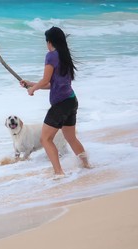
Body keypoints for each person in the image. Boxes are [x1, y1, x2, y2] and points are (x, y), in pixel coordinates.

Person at [20, 26, 90, 177]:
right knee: (71, 138)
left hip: (60, 105)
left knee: (45, 139)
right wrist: (32, 84)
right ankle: (87, 166)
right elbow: (54, 84)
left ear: (49, 42)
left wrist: (33, 89)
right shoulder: (65, 56)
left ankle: (59, 173)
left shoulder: (51, 56)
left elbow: (45, 80)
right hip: (71, 101)